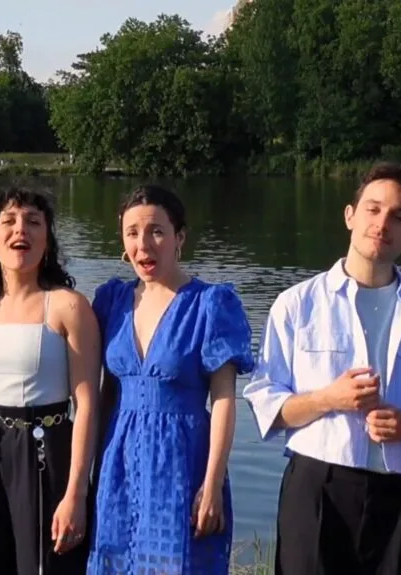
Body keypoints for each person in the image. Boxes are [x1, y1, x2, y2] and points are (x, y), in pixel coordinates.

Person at [242, 162, 401, 574]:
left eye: (399, 217)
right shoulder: (297, 304)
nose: (382, 223)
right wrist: (328, 398)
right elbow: (267, 406)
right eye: (372, 208)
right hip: (318, 485)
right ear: (350, 215)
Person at [86, 184, 255, 575]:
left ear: (179, 237)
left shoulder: (210, 304)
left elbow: (225, 400)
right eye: (132, 233)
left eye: (156, 231)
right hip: (119, 461)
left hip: (183, 460)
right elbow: (104, 394)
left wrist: (211, 482)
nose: (143, 245)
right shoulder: (112, 301)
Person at [0, 187, 100, 575]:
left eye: (33, 222)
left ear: (47, 240)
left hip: (48, 456)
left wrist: (76, 494)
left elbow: (87, 405)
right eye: (9, 221)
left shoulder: (68, 306)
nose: (21, 231)